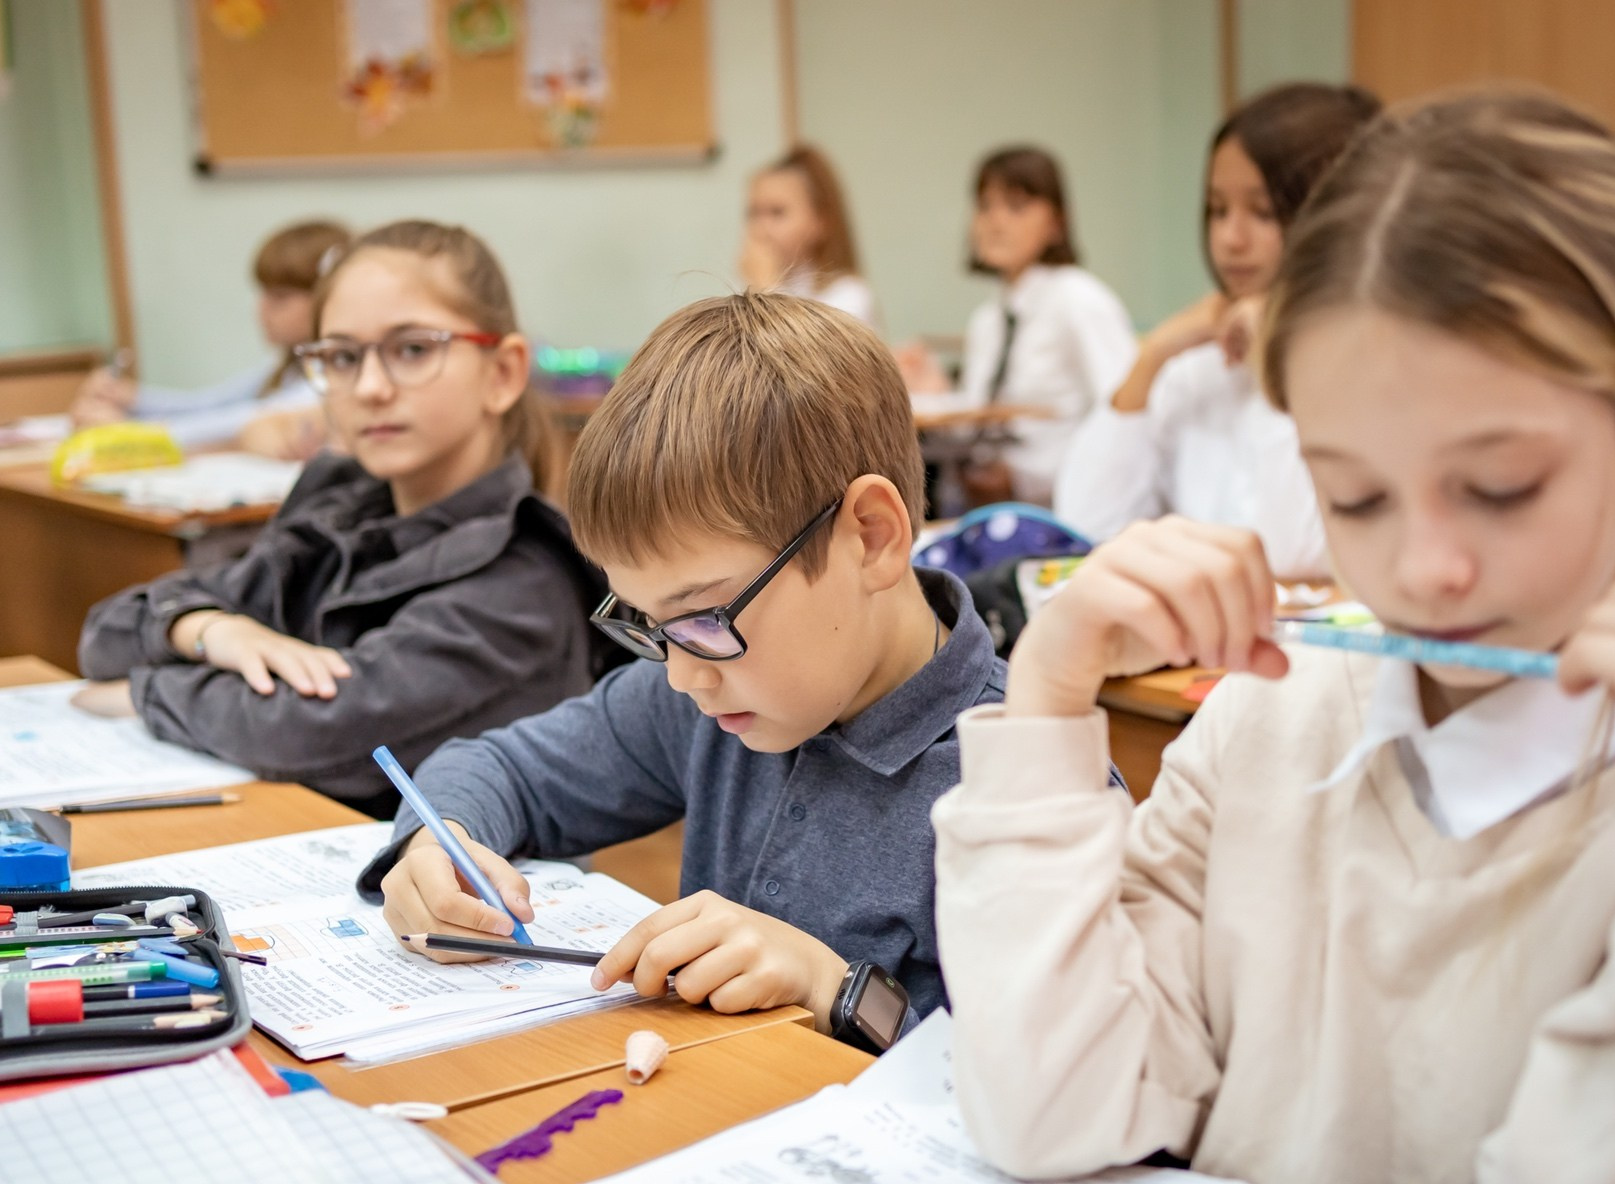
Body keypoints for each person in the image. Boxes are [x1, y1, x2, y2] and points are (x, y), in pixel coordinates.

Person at [933, 91, 1615, 1184]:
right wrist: (1045, 696)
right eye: (1353, 496)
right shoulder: (1277, 714)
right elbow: (1053, 1109)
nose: (1425, 569)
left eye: (1502, 487)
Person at [364, 292, 1021, 1038]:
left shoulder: (1031, 788)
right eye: (647, 624)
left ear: (869, 537)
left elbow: (1060, 1097)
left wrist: (830, 986)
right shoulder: (715, 693)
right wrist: (438, 841)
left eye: (706, 617)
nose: (680, 674)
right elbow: (498, 768)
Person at [78, 221, 606, 815]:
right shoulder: (339, 510)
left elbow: (310, 729)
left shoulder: (524, 577)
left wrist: (144, 692)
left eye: (413, 350)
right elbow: (106, 634)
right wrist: (211, 631)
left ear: (503, 372)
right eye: (343, 357)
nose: (371, 387)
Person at [1057, 83, 1380, 578]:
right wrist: (1151, 359)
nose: (1231, 239)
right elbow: (1086, 527)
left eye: (1263, 212)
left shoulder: (1374, 361)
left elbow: (1289, 554)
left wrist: (1279, 353)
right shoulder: (1202, 359)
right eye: (1217, 209)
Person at [901, 145, 1137, 507]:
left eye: (1016, 206)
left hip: (1060, 508)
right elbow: (978, 425)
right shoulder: (988, 320)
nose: (995, 221)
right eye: (984, 206)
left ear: (1057, 222)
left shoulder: (1080, 300)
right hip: (985, 506)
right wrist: (933, 388)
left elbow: (1124, 416)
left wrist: (1027, 479)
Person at [69, 219, 350, 457]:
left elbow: (240, 422)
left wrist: (130, 434)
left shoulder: (336, 376)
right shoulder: (287, 366)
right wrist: (132, 399)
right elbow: (213, 402)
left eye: (279, 298)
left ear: (325, 299)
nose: (261, 311)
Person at [740, 145, 878, 330]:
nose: (760, 229)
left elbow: (795, 355)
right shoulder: (751, 282)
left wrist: (765, 291)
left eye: (777, 212)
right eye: (753, 213)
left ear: (821, 221)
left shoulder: (849, 295)